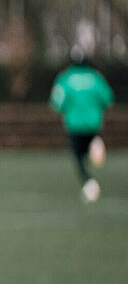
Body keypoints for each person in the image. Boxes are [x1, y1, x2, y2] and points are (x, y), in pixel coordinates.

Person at [49, 46, 114, 202]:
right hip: (94, 123)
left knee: (78, 156)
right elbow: (108, 99)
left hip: (74, 124)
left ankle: (88, 181)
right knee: (89, 145)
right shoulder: (96, 77)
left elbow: (56, 103)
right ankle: (96, 145)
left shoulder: (65, 78)